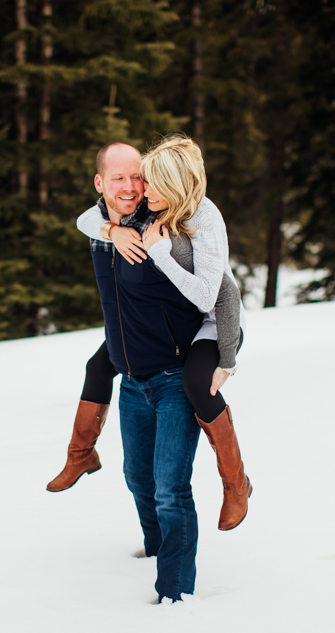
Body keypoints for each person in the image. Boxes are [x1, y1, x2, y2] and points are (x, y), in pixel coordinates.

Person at [48, 138, 250, 601]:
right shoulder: (107, 223)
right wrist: (109, 229)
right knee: (138, 478)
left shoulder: (168, 225)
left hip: (177, 371)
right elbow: (85, 219)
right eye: (118, 179)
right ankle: (156, 550)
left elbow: (222, 294)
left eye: (139, 178)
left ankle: (175, 597)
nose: (132, 187)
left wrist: (227, 356)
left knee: (169, 490)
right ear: (100, 184)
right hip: (133, 377)